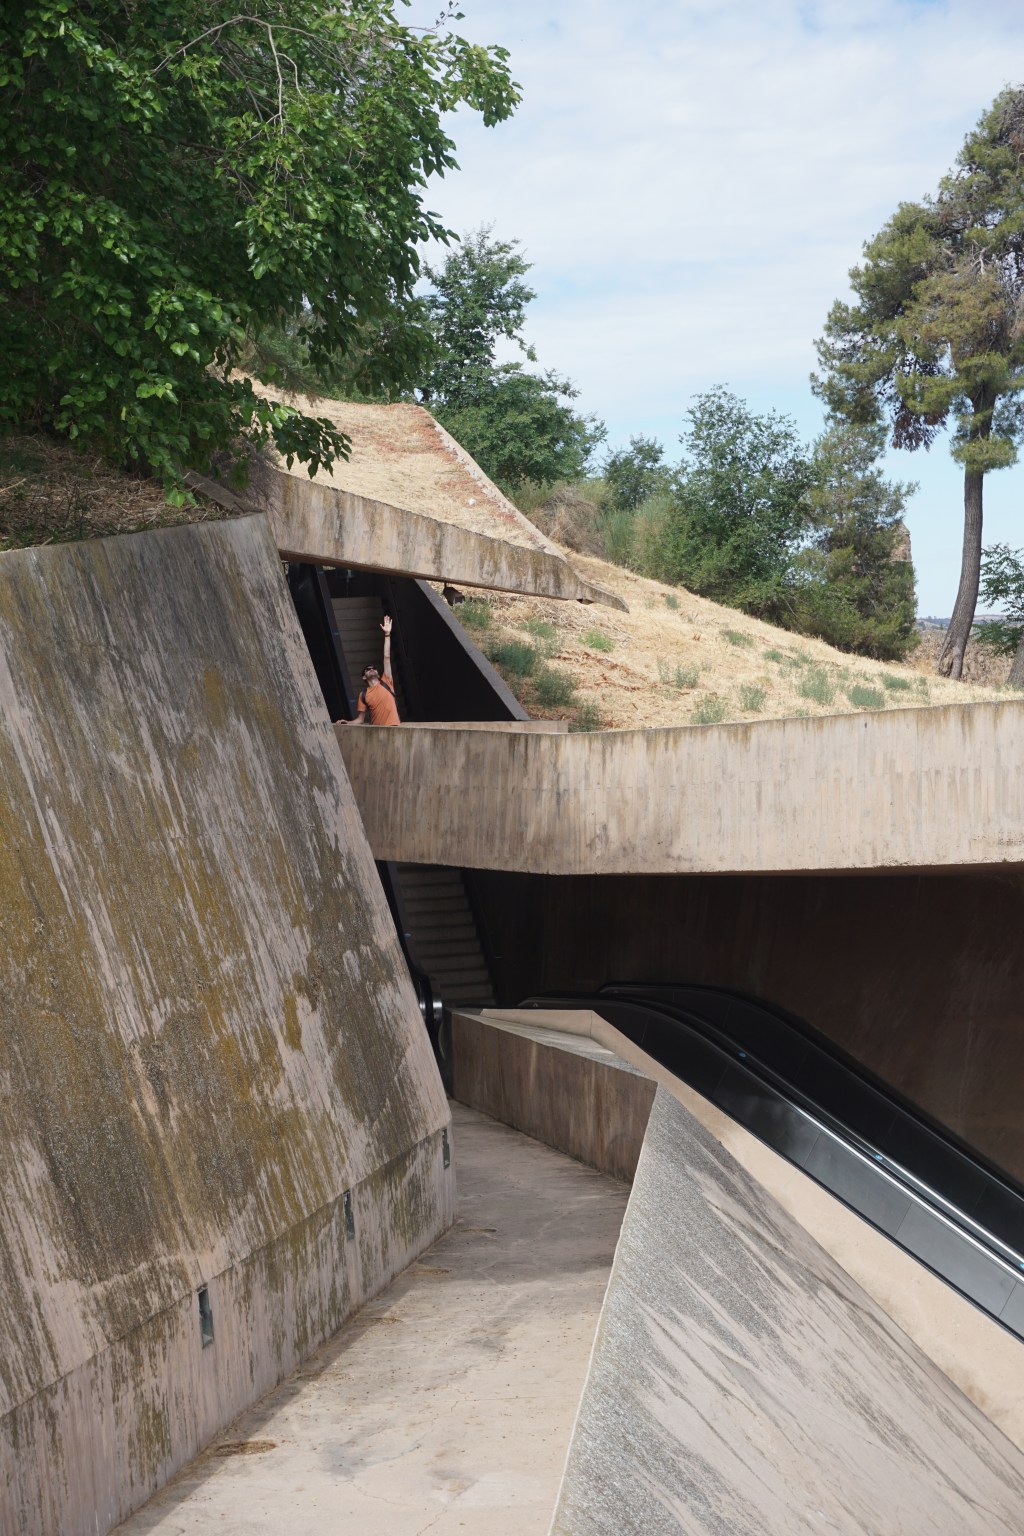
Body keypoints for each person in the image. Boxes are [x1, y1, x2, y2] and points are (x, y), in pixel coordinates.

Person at [345, 615, 401, 725]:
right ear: (364, 677)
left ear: (378, 674)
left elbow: (386, 656)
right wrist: (346, 723)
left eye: (374, 668)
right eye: (367, 669)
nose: (371, 669)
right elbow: (360, 720)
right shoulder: (364, 694)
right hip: (377, 734)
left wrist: (387, 634)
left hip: (395, 729)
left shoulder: (386, 681)